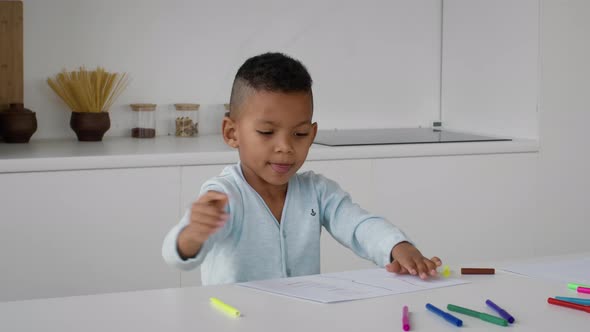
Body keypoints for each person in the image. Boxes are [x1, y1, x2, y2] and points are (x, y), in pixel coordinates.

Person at [162, 52, 441, 285]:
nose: (285, 147)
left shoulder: (317, 191)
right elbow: (177, 255)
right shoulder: (224, 195)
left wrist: (396, 246)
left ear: (313, 132)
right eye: (267, 132)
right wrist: (192, 236)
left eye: (300, 134)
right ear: (231, 133)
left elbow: (358, 225)